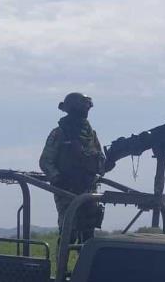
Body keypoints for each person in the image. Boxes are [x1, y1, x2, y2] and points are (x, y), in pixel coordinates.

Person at [39, 92, 114, 243]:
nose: (86, 111)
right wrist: (58, 179)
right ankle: (62, 265)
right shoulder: (60, 133)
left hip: (89, 190)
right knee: (69, 232)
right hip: (66, 191)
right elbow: (46, 161)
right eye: (83, 107)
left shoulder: (91, 135)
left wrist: (108, 164)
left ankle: (85, 266)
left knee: (88, 234)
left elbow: (99, 163)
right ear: (74, 109)